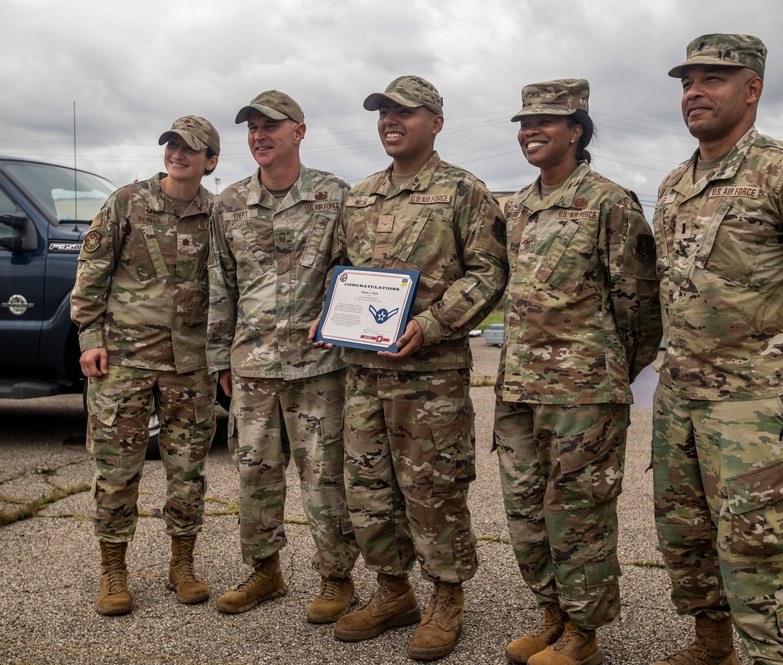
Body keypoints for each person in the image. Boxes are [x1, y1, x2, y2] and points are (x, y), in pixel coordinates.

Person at [650, 34, 783, 665]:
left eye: (713, 79)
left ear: (754, 88)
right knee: (685, 537)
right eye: (688, 80)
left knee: (758, 546)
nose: (695, 91)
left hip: (754, 403)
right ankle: (712, 642)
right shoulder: (675, 182)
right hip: (681, 397)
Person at [326, 75, 508, 660]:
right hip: (362, 374)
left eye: (403, 112)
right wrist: (327, 314)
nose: (389, 121)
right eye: (382, 112)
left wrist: (430, 325)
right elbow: (341, 272)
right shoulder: (359, 194)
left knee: (433, 490)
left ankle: (447, 596)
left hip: (429, 378)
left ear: (436, 120)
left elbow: (489, 272)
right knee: (369, 488)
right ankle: (392, 590)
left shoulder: (463, 191)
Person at [494, 79, 662, 665]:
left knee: (579, 515)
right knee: (524, 510)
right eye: (523, 122)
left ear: (577, 130)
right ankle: (551, 614)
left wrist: (608, 370)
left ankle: (583, 633)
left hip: (584, 394)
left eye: (545, 121)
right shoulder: (516, 207)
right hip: (518, 389)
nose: (530, 131)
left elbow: (640, 307)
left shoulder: (611, 202)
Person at [206, 90, 360, 622]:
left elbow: (356, 272)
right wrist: (219, 360)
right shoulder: (228, 204)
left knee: (324, 479)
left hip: (318, 368)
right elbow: (220, 282)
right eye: (251, 127)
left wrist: (339, 321)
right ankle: (264, 572)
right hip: (251, 367)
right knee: (254, 477)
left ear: (299, 130)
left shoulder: (335, 196)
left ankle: (336, 578)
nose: (259, 135)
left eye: (270, 126)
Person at [71, 115, 220, 615]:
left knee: (187, 472)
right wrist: (89, 336)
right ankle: (114, 571)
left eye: (190, 149)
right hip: (124, 360)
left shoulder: (218, 214)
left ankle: (183, 564)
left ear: (210, 161)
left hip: (189, 365)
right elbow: (92, 271)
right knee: (116, 472)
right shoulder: (127, 201)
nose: (178, 153)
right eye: (172, 144)